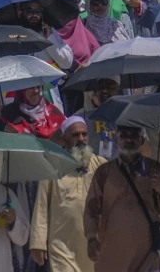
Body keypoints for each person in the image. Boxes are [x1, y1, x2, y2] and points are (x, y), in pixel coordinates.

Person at [83, 126, 160, 272]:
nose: (129, 139)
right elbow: (91, 209)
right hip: (113, 255)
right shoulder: (104, 172)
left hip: (146, 254)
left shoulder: (154, 169)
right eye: (124, 135)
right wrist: (91, 238)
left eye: (134, 135)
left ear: (142, 140)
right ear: (117, 139)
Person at [31, 117, 104, 272]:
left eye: (84, 134)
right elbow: (42, 206)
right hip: (62, 247)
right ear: (64, 138)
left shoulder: (102, 166)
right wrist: (38, 242)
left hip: (95, 243)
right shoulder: (52, 168)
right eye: (75, 135)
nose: (81, 139)